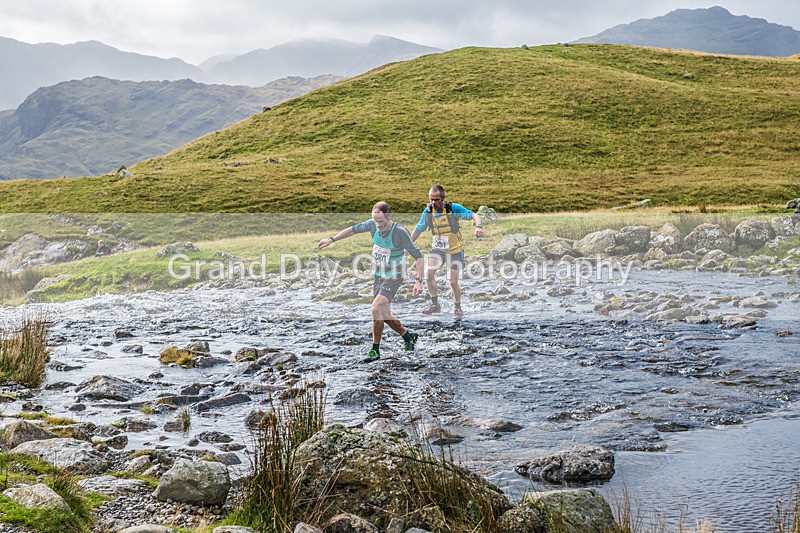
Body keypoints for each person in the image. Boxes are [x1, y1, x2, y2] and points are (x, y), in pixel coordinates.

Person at [317, 201, 424, 362]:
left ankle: (375, 350)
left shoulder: (400, 232)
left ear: (388, 217)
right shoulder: (372, 225)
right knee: (385, 314)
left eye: (381, 221)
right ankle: (408, 337)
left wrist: (418, 281)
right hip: (379, 275)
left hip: (395, 275)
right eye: (375, 221)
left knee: (375, 308)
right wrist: (331, 239)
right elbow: (352, 230)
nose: (378, 225)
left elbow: (419, 256)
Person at [411, 184, 483, 319]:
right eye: (431, 199)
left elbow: (474, 215)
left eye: (436, 199)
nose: (433, 202)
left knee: (452, 281)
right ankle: (435, 305)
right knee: (428, 274)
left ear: (443, 198)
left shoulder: (453, 209)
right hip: (438, 249)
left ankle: (457, 306)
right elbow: (418, 229)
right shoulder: (427, 212)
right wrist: (407, 246)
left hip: (455, 250)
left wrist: (479, 227)